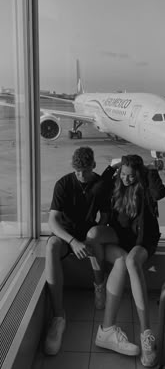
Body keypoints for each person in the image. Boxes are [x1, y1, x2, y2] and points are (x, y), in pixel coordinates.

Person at [87, 154, 165, 367]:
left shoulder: (144, 187)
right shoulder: (116, 182)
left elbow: (159, 193)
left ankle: (146, 335)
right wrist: (111, 168)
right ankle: (99, 284)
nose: (126, 179)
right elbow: (95, 192)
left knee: (130, 262)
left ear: (138, 174)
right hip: (120, 236)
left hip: (143, 240)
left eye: (130, 176)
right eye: (123, 174)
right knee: (93, 234)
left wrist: (151, 172)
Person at [44, 146, 109, 356]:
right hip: (68, 236)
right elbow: (53, 221)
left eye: (86, 170)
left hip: (88, 233)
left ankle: (99, 285)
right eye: (77, 170)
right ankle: (58, 316)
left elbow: (105, 217)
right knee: (52, 245)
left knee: (94, 235)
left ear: (93, 166)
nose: (81, 175)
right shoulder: (63, 184)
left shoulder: (100, 185)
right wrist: (72, 241)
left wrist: (93, 234)